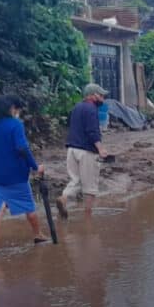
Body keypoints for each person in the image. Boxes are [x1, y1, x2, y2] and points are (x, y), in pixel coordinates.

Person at [0, 95, 48, 251]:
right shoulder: (15, 124)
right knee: (29, 206)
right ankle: (38, 234)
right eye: (17, 110)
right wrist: (35, 167)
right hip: (16, 175)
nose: (18, 113)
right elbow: (22, 148)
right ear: (12, 109)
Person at [56, 84, 110, 219]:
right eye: (101, 95)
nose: (103, 99)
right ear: (93, 95)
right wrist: (101, 149)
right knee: (90, 186)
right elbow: (92, 132)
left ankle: (64, 198)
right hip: (87, 152)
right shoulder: (91, 109)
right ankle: (88, 217)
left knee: (75, 180)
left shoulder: (76, 107)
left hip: (72, 149)